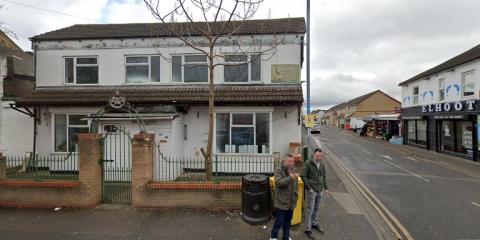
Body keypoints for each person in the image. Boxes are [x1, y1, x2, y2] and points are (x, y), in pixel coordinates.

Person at [301, 148, 329, 240]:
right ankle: (307, 229)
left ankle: (314, 223)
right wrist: (309, 188)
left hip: (320, 190)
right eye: (317, 155)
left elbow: (323, 176)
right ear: (313, 154)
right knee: (310, 210)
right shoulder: (308, 163)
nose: (319, 157)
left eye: (320, 156)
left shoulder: (322, 164)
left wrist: (326, 188)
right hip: (312, 191)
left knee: (316, 208)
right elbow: (303, 175)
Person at [270, 154, 298, 240]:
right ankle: (273, 237)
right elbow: (279, 183)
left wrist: (296, 195)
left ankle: (286, 237)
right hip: (281, 202)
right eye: (289, 161)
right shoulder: (278, 170)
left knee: (288, 221)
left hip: (291, 202)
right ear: (284, 161)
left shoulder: (293, 169)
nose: (291, 163)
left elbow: (295, 184)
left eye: (292, 161)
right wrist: (290, 178)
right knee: (279, 221)